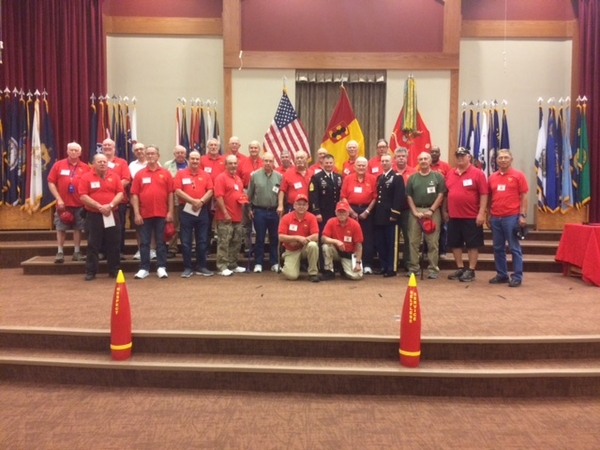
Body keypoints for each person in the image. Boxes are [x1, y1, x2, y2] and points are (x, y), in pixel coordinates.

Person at [443, 147, 488, 282]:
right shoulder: (450, 173)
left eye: (463, 156)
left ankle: (471, 270)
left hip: (471, 216)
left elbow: (484, 194)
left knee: (472, 244)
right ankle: (460, 268)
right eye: (458, 156)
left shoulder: (477, 173)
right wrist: (444, 210)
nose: (460, 158)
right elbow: (446, 194)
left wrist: (481, 213)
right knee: (455, 244)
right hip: (454, 216)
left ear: (469, 157)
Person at [130, 145, 174, 279]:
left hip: (162, 213)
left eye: (153, 154)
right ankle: (144, 268)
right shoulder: (139, 174)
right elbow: (134, 195)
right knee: (144, 242)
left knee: (161, 242)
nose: (150, 156)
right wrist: (137, 213)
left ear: (158, 156)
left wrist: (170, 212)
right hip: (144, 214)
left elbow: (171, 194)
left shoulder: (165, 173)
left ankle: (161, 267)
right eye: (148, 154)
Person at [78, 154, 124, 281]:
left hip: (111, 214)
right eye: (99, 161)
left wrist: (110, 205)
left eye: (104, 161)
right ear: (93, 163)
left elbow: (120, 193)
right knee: (93, 244)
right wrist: (99, 207)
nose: (103, 163)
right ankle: (91, 271)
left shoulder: (114, 176)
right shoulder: (86, 177)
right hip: (94, 216)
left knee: (114, 243)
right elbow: (82, 195)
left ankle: (114, 270)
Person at [487, 149, 529, 287]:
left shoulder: (518, 175)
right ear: (497, 160)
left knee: (514, 248)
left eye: (506, 157)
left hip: (511, 217)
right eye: (500, 158)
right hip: (495, 217)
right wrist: (488, 214)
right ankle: (502, 274)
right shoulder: (492, 177)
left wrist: (522, 215)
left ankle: (517, 276)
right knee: (498, 248)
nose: (503, 160)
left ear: (511, 159)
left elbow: (524, 196)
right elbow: (489, 197)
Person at [405, 152, 446, 279]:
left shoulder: (438, 176)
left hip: (432, 211)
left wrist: (432, 210)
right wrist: (414, 211)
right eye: (420, 159)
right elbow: (409, 196)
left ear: (430, 161)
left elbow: (441, 195)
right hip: (416, 211)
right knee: (413, 241)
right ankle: (414, 268)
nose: (423, 161)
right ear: (418, 161)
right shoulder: (412, 178)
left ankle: (433, 269)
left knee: (432, 241)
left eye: (425, 159)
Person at [47, 142, 90, 263]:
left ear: (80, 153)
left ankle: (77, 252)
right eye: (71, 150)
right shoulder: (58, 165)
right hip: (63, 204)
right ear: (67, 151)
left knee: (78, 228)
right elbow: (51, 182)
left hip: (79, 204)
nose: (74, 152)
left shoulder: (85, 167)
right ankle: (60, 252)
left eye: (76, 150)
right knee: (61, 228)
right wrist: (58, 198)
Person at [173, 150, 214, 278]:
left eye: (197, 159)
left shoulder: (205, 175)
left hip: (202, 210)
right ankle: (187, 267)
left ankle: (201, 266)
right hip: (186, 209)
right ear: (188, 160)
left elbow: (211, 190)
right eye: (192, 159)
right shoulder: (181, 174)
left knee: (202, 240)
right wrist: (192, 201)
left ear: (200, 160)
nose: (195, 161)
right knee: (186, 241)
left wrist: (201, 201)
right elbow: (177, 191)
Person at [340, 156, 376, 274]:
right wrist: (351, 212)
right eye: (359, 165)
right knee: (350, 237)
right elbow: (343, 197)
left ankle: (367, 264)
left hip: (367, 210)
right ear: (354, 167)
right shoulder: (348, 179)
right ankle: (350, 263)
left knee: (367, 238)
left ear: (367, 167)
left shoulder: (372, 179)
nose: (361, 167)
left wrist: (367, 212)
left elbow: (375, 197)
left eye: (363, 166)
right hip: (351, 210)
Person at [247, 152, 282, 273]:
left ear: (273, 162)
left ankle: (274, 262)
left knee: (274, 238)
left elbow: (282, 195)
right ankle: (258, 263)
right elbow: (249, 195)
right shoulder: (255, 176)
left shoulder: (279, 176)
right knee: (260, 238)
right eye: (266, 161)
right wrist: (249, 209)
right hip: (259, 211)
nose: (268, 163)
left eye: (270, 161)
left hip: (274, 212)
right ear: (262, 162)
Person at [214, 155, 248, 276]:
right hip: (225, 217)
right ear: (225, 165)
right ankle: (222, 266)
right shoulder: (221, 178)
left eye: (235, 163)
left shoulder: (238, 179)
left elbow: (239, 196)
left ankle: (232, 264)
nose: (233, 166)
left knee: (236, 241)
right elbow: (218, 196)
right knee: (224, 242)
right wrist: (225, 213)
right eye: (231, 163)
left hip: (237, 217)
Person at [373, 154, 406, 277]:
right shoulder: (380, 177)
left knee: (392, 243)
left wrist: (395, 213)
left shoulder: (397, 177)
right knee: (381, 243)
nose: (384, 163)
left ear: (392, 162)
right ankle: (383, 266)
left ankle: (392, 268)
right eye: (382, 161)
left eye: (387, 161)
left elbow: (399, 197)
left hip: (391, 216)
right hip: (379, 216)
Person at [309, 153, 342, 272]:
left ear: (334, 163)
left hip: (336, 214)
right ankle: (322, 266)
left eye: (330, 163)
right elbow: (313, 196)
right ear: (322, 163)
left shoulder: (339, 177)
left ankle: (335, 265)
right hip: (322, 214)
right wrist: (316, 212)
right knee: (323, 238)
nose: (328, 165)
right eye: (326, 163)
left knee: (335, 237)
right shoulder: (316, 178)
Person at [278, 194, 320, 282]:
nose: (301, 207)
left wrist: (302, 240)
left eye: (304, 204)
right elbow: (281, 237)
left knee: (313, 245)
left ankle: (313, 273)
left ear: (307, 206)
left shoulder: (311, 217)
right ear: (294, 205)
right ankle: (286, 259)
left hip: (305, 248)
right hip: (291, 250)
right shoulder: (286, 217)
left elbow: (316, 236)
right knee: (291, 276)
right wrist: (297, 238)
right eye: (299, 204)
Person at [102, 139, 131, 260]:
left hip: (119, 201)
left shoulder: (122, 162)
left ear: (114, 148)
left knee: (119, 227)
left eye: (110, 145)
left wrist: (113, 190)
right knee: (102, 227)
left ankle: (119, 251)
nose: (107, 147)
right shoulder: (98, 161)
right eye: (105, 145)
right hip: (102, 203)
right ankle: (103, 251)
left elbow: (126, 179)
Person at [320, 201, 364, 281]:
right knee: (326, 246)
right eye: (339, 212)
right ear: (335, 213)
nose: (341, 215)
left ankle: (343, 268)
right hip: (336, 251)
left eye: (344, 212)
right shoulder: (331, 221)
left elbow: (359, 245)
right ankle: (329, 271)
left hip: (349, 254)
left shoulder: (355, 224)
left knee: (357, 276)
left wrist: (358, 263)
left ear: (348, 213)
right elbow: (323, 238)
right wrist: (336, 241)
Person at [128, 142, 156, 261]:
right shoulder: (131, 165)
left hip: (151, 200)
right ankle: (141, 249)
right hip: (136, 199)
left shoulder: (155, 163)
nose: (139, 151)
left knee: (153, 226)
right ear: (134, 152)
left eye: (141, 149)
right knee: (138, 226)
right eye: (136, 150)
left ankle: (153, 249)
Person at [200, 138, 226, 256]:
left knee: (222, 223)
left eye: (215, 145)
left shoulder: (224, 160)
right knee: (206, 223)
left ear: (219, 147)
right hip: (207, 197)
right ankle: (205, 249)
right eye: (211, 145)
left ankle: (222, 250)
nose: (214, 147)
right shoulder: (202, 160)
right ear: (208, 147)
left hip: (221, 196)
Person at [237, 141, 264, 254]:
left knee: (260, 222)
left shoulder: (264, 162)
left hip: (261, 193)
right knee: (246, 222)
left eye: (255, 148)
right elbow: (237, 179)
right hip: (245, 191)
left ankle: (259, 247)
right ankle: (248, 246)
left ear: (259, 149)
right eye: (251, 148)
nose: (253, 150)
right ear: (249, 149)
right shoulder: (242, 162)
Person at [426, 145, 451, 258]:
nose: (434, 153)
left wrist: (445, 208)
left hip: (442, 203)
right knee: (426, 227)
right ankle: (426, 251)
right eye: (432, 152)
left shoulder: (445, 166)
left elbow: (449, 184)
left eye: (436, 152)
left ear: (439, 154)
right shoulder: (424, 165)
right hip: (427, 203)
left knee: (443, 228)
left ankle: (442, 251)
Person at [394, 147, 417, 270]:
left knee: (409, 237)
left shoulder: (413, 172)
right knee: (393, 237)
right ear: (395, 158)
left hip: (408, 209)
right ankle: (394, 262)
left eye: (403, 156)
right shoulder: (390, 172)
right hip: (393, 210)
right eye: (399, 156)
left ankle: (408, 262)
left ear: (407, 158)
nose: (401, 158)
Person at [164, 145, 189, 258]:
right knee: (173, 225)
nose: (180, 155)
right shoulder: (168, 165)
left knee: (187, 225)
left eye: (182, 153)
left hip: (188, 200)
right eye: (178, 153)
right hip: (173, 200)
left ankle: (187, 247)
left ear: (185, 154)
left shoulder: (190, 164)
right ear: (174, 154)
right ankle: (172, 248)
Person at [278, 150, 312, 214]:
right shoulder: (288, 173)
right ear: (294, 160)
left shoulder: (312, 173)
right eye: (297, 158)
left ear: (306, 160)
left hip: (308, 207)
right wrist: (280, 205)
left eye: (301, 158)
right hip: (292, 206)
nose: (299, 160)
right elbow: (282, 190)